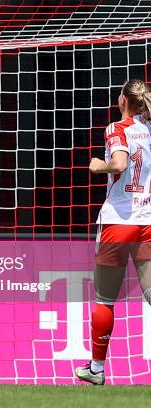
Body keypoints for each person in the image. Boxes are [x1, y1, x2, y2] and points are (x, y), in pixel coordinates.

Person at [75, 79, 151, 385]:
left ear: (123, 101)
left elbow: (118, 163)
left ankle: (96, 369)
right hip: (147, 221)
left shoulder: (117, 128)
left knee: (105, 298)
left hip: (118, 222)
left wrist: (99, 166)